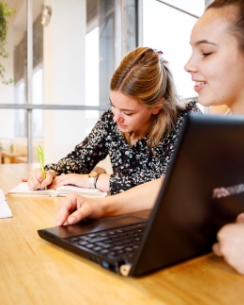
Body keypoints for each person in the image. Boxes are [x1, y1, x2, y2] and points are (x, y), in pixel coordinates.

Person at [57, 0, 244, 277]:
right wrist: (102, 206)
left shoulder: (194, 119)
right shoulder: (226, 124)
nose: (188, 66)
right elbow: (180, 184)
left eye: (207, 52)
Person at [27, 47, 200, 195]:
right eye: (113, 105)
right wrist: (51, 172)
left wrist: (93, 180)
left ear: (156, 106)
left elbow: (164, 184)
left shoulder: (186, 122)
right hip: (120, 215)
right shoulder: (112, 119)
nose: (116, 118)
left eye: (127, 112)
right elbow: (81, 158)